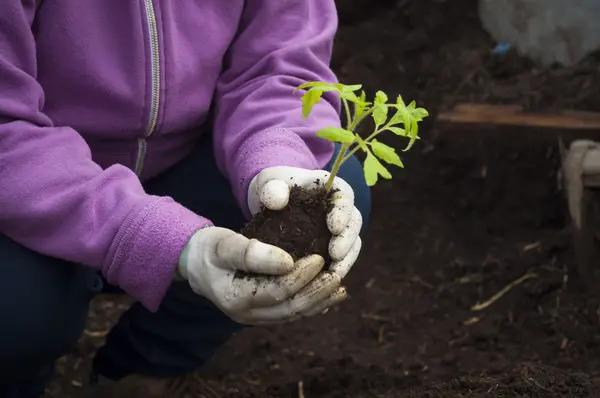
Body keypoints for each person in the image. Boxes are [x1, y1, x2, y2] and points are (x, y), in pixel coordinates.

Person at [0, 1, 372, 397]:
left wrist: (276, 159)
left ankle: (143, 367)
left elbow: (280, 65)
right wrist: (154, 236)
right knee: (16, 310)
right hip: (32, 188)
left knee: (325, 187)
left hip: (182, 163)